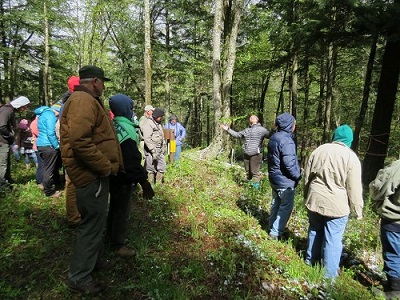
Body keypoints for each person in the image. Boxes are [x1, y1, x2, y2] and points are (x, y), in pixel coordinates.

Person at [60, 65, 122, 296]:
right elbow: (80, 141)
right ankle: (79, 276)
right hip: (91, 174)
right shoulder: (82, 101)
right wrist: (104, 166)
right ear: (94, 81)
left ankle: (92, 262)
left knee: (96, 223)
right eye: (102, 82)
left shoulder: (86, 100)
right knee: (91, 226)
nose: (104, 86)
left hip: (94, 174)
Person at [304, 124, 363, 279]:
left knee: (315, 230)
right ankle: (329, 277)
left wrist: (306, 195)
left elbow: (307, 177)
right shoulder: (351, 158)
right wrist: (358, 210)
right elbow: (354, 188)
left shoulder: (319, 150)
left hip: (315, 199)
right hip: (337, 206)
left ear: (335, 136)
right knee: (333, 239)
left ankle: (310, 262)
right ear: (349, 141)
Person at [107, 94, 154, 257]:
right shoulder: (126, 130)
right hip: (122, 176)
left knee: (114, 207)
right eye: (131, 107)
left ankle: (109, 236)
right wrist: (144, 182)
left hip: (112, 174)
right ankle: (118, 244)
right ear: (126, 109)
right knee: (121, 210)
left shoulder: (114, 124)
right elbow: (131, 160)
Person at [267, 112, 301, 240]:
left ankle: (271, 226)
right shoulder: (287, 141)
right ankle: (275, 233)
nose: (294, 126)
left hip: (274, 178)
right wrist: (298, 176)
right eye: (293, 124)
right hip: (284, 181)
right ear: (289, 125)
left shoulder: (274, 137)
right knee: (286, 207)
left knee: (276, 203)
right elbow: (289, 164)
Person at [369, 159, 400, 298]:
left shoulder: (397, 167)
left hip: (394, 220)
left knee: (393, 255)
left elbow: (378, 188)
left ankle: (394, 292)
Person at [221, 115, 269, 188]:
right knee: (248, 173)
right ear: (249, 120)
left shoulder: (262, 130)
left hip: (256, 154)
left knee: (255, 173)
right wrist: (228, 129)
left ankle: (256, 191)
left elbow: (271, 135)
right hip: (246, 153)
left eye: (254, 117)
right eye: (250, 117)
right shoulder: (247, 130)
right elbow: (237, 135)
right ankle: (249, 188)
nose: (252, 117)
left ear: (257, 120)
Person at [58, 75, 81, 228]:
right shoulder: (72, 103)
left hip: (70, 147)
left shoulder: (67, 102)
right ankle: (73, 217)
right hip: (73, 149)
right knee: (72, 183)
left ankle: (76, 214)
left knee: (73, 183)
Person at [0, 96, 30, 188]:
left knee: (6, 162)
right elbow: (1, 126)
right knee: (2, 163)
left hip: (5, 141)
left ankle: (8, 180)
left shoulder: (11, 111)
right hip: (2, 141)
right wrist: (10, 135)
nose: (25, 109)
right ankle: (3, 185)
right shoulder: (7, 110)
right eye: (24, 107)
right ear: (19, 105)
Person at [36, 101, 63, 198]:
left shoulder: (42, 115)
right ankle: (49, 192)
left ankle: (46, 186)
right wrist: (56, 146)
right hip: (48, 145)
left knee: (45, 167)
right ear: (56, 110)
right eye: (59, 112)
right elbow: (51, 133)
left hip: (41, 144)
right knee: (49, 169)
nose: (59, 115)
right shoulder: (50, 116)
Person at [142, 107, 166, 184]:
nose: (161, 118)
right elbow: (147, 138)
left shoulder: (158, 123)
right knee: (150, 168)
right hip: (151, 150)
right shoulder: (148, 123)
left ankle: (158, 184)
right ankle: (151, 184)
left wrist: (163, 146)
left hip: (159, 149)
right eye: (160, 117)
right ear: (157, 116)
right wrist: (152, 150)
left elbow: (161, 135)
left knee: (161, 167)